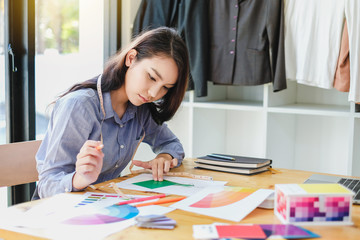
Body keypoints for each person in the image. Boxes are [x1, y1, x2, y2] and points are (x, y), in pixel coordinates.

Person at [33, 27, 189, 199]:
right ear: (131, 58)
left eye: (165, 88)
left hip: (104, 205)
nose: (154, 93)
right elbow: (47, 185)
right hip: (60, 211)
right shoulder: (80, 106)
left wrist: (165, 157)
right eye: (152, 77)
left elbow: (172, 144)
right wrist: (80, 179)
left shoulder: (140, 109)